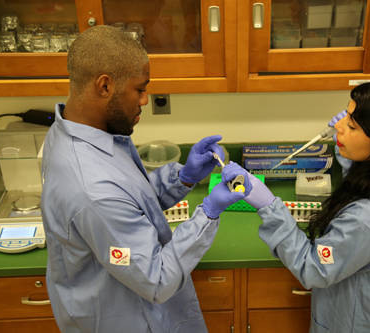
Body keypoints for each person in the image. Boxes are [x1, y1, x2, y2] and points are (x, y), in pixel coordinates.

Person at [40, 25, 251, 333]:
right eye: (139, 89)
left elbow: (129, 199)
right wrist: (208, 213)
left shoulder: (75, 131)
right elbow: (158, 280)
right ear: (104, 86)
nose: (144, 101)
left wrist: (184, 177)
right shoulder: (92, 190)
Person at [243, 76, 370, 332]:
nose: (339, 126)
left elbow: (313, 268)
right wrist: (348, 146)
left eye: (352, 125)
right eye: (346, 117)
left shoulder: (368, 221)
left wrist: (269, 206)